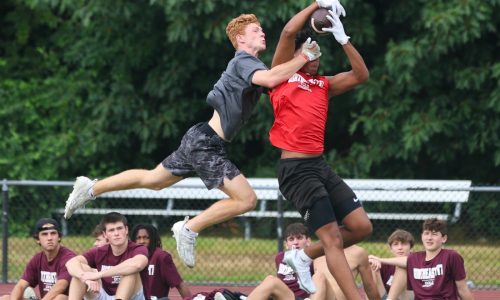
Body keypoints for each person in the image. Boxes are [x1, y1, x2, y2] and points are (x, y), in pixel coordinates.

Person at [63, 12, 322, 270]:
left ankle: (91, 188)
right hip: (206, 144)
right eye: (256, 30)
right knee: (246, 200)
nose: (263, 32)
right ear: (241, 39)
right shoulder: (243, 61)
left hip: (201, 137)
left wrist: (304, 57)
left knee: (153, 180)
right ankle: (189, 228)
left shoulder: (254, 65)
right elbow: (272, 78)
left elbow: (278, 78)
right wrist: (302, 56)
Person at [267, 0, 371, 298]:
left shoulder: (323, 84)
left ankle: (302, 256)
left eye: (318, 50)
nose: (315, 54)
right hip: (296, 171)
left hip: (319, 166)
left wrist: (343, 38)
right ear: (297, 55)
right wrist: (316, 3)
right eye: (308, 49)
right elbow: (288, 32)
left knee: (361, 226)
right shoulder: (282, 77)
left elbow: (361, 75)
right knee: (333, 239)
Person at [369, 218, 474, 300]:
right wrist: (377, 259)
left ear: (444, 238)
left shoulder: (451, 256)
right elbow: (404, 261)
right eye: (426, 233)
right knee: (400, 267)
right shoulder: (415, 258)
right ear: (422, 236)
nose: (429, 238)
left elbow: (462, 290)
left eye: (434, 234)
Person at [65, 212, 149, 300]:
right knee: (82, 269)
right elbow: (71, 263)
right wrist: (84, 277)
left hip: (131, 297)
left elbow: (137, 264)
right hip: (105, 295)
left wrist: (99, 275)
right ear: (105, 234)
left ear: (126, 230)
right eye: (111, 230)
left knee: (130, 272)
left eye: (119, 228)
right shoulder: (100, 251)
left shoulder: (138, 249)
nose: (116, 233)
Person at [247, 223, 328, 300]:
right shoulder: (280, 258)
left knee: (319, 276)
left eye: (299, 238)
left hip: (305, 297)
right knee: (270, 279)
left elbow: (320, 281)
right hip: (285, 296)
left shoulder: (313, 258)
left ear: (308, 241)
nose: (295, 242)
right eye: (291, 239)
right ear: (286, 244)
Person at [0, 218, 76, 300]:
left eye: (53, 233)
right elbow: (21, 286)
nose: (49, 238)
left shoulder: (69, 258)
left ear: (59, 237)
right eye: (44, 234)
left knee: (60, 298)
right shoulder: (37, 259)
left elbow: (61, 286)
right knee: (5, 298)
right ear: (37, 240)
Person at [131, 224, 192, 300]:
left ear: (153, 239)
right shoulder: (130, 257)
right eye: (138, 238)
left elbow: (179, 285)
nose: (142, 241)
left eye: (146, 238)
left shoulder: (161, 257)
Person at [314, 245, 380, 300]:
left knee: (318, 277)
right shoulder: (316, 252)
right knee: (318, 278)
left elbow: (370, 287)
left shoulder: (357, 252)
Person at [371, 229, 414, 300]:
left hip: (408, 298)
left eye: (404, 244)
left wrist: (380, 259)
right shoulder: (386, 266)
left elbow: (408, 261)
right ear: (391, 249)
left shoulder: (417, 259)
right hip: (386, 297)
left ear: (411, 248)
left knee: (402, 268)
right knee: (373, 266)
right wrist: (373, 261)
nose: (400, 248)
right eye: (396, 244)